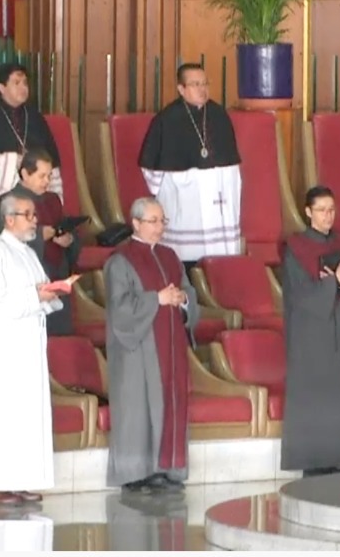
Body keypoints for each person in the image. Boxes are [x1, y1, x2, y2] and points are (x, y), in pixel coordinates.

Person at [0, 193, 63, 505]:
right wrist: (35, 297)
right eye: (28, 214)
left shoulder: (26, 252)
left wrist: (50, 293)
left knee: (26, 411)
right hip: (7, 345)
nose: (35, 220)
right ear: (9, 219)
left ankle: (19, 478)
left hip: (29, 343)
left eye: (34, 214)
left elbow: (40, 289)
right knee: (4, 409)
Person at [103, 197, 199, 492]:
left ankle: (167, 469)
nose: (160, 227)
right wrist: (156, 299)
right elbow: (119, 308)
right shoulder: (120, 261)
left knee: (169, 404)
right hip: (138, 350)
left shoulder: (171, 257)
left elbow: (188, 291)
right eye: (153, 221)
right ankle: (136, 474)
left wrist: (183, 300)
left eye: (162, 221)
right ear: (136, 223)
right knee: (139, 410)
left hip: (170, 347)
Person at [279, 186, 340, 477]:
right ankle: (311, 460)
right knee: (312, 394)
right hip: (309, 331)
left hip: (337, 327)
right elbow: (299, 293)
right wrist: (333, 284)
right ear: (308, 212)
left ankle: (333, 458)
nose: (327, 216)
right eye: (321, 210)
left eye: (331, 210)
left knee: (337, 394)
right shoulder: (295, 248)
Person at [137, 63, 242, 272]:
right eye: (195, 84)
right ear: (181, 88)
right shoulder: (167, 119)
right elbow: (151, 168)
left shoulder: (219, 115)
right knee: (185, 261)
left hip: (219, 203)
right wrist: (166, 189)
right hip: (183, 202)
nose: (202, 89)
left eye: (204, 83)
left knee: (220, 261)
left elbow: (231, 164)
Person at [0, 63, 63, 265]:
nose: (23, 88)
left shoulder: (35, 118)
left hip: (35, 193)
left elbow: (50, 160)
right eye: (16, 82)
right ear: (1, 88)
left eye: (25, 83)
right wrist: (15, 163)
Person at [0, 149, 78, 336]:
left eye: (49, 176)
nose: (47, 181)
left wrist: (68, 239)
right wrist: (39, 235)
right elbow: (1, 243)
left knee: (60, 339)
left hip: (57, 274)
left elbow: (65, 230)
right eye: (42, 176)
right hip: (28, 285)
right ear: (25, 174)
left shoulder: (53, 200)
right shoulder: (6, 202)